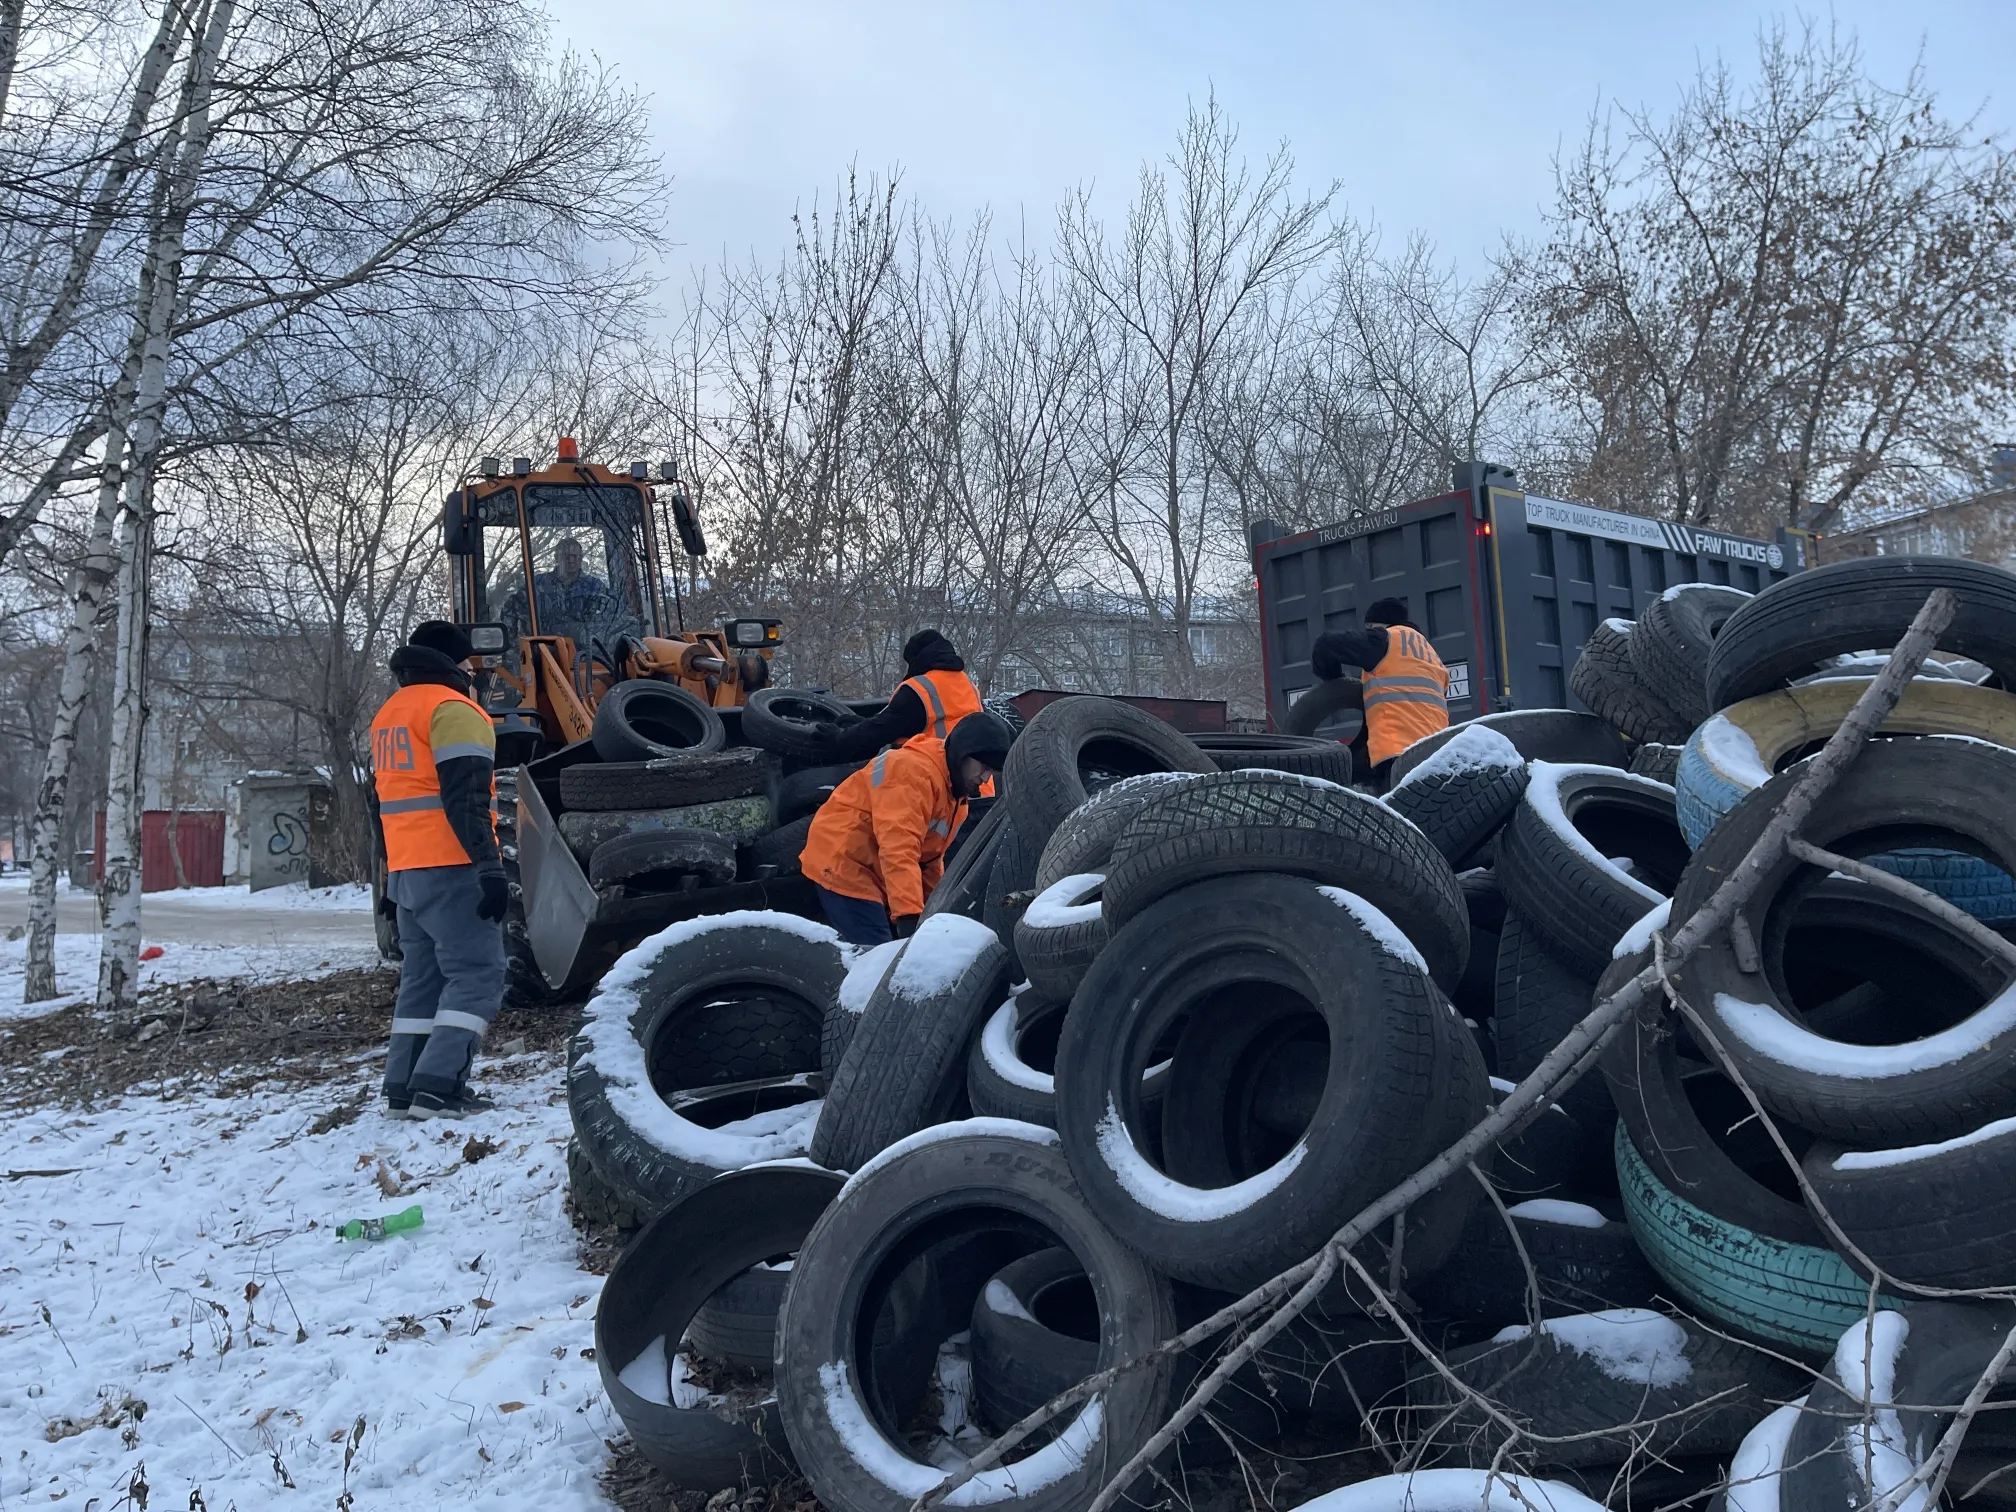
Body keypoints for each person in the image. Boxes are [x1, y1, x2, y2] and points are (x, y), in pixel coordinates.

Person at [369, 620, 508, 1119]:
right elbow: (465, 798)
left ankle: (402, 1089)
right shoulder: (454, 710)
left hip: (409, 873)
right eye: (472, 664)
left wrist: (389, 879)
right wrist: (490, 869)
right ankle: (439, 1088)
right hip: (452, 865)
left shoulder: (390, 714)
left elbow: (382, 805)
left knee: (422, 980)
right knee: (477, 973)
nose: (476, 674)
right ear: (457, 663)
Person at [798, 711, 1014, 946]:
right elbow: (899, 848)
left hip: (874, 866)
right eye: (983, 766)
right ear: (964, 753)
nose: (985, 778)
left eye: (992, 771)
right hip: (844, 861)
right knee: (875, 956)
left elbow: (929, 861)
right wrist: (910, 916)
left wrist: (933, 914)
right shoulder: (914, 772)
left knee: (897, 948)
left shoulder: (954, 793)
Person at [1307, 596, 1450, 791]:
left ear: (1380, 625)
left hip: (1397, 757)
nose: (1368, 632)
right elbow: (1405, 707)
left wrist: (1333, 681)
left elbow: (1325, 645)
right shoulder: (1432, 657)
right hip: (1438, 758)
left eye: (1370, 627)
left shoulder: (1383, 640)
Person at [815, 629, 985, 762]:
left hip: (936, 786)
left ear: (916, 659)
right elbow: (903, 725)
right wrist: (856, 724)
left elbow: (881, 730)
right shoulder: (968, 686)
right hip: (979, 789)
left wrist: (839, 739)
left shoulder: (920, 690)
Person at [531, 536, 609, 624]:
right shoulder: (538, 583)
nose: (571, 560)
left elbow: (606, 620)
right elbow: (518, 610)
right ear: (556, 558)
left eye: (574, 556)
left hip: (585, 637)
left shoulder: (595, 587)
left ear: (581, 558)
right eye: (566, 556)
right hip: (545, 637)